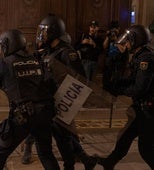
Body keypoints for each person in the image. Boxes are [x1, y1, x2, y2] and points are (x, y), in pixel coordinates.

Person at [21, 14, 97, 170]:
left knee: (63, 137)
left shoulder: (67, 52)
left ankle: (71, 165)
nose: (42, 34)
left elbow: (79, 80)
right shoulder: (50, 50)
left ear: (54, 32)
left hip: (63, 101)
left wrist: (65, 103)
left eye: (45, 31)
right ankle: (85, 160)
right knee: (62, 135)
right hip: (51, 100)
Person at [0, 29, 60, 170]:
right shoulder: (36, 59)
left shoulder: (6, 63)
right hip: (45, 113)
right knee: (46, 154)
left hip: (23, 117)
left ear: (9, 45)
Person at [97, 24, 154, 170]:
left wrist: (120, 90)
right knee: (124, 138)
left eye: (128, 40)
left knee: (146, 149)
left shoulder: (146, 59)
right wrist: (116, 84)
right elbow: (133, 79)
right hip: (140, 107)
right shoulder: (139, 55)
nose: (126, 43)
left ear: (136, 40)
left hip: (148, 109)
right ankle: (109, 163)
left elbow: (140, 88)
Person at [102, 20, 129, 90]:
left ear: (118, 29)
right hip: (109, 63)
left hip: (118, 63)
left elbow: (123, 50)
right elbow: (104, 46)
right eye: (112, 29)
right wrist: (108, 37)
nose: (114, 31)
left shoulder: (123, 37)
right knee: (106, 82)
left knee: (116, 83)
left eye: (115, 29)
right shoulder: (109, 36)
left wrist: (116, 40)